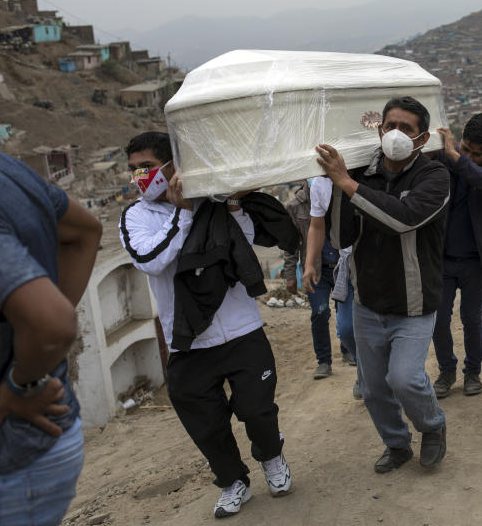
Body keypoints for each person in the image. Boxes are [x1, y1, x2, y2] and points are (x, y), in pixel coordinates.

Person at [120, 132, 293, 518]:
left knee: (258, 410)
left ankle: (272, 457)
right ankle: (234, 483)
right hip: (188, 341)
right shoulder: (135, 216)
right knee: (206, 424)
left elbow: (244, 243)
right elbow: (151, 260)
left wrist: (230, 204)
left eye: (146, 167)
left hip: (241, 329)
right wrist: (182, 214)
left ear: (171, 167)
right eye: (133, 170)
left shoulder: (213, 204)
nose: (139, 177)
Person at [317, 96, 449, 473]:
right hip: (368, 301)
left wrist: (347, 183)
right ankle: (397, 443)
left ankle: (433, 426)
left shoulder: (434, 177)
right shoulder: (362, 173)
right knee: (374, 388)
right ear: (378, 129)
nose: (395, 134)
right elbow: (341, 238)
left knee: (404, 379)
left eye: (406, 128)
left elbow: (405, 218)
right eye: (389, 125)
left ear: (422, 139)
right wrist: (340, 186)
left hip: (413, 301)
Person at [0, 141, 101, 526]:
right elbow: (85, 232)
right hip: (32, 453)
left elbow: (53, 325)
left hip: (3, 464)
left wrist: (24, 379)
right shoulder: (0, 167)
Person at [431, 113, 482, 398]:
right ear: (460, 139)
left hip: (476, 261)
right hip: (442, 259)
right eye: (465, 150)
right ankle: (446, 371)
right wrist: (452, 155)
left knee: (471, 318)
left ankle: (472, 372)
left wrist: (457, 157)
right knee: (438, 319)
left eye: (477, 154)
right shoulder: (443, 158)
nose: (470, 157)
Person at [297, 176, 359, 395]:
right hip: (330, 268)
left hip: (357, 264)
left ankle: (364, 369)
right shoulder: (314, 190)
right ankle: (330, 361)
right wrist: (307, 265)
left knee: (356, 325)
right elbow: (313, 228)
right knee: (330, 319)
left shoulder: (361, 179)